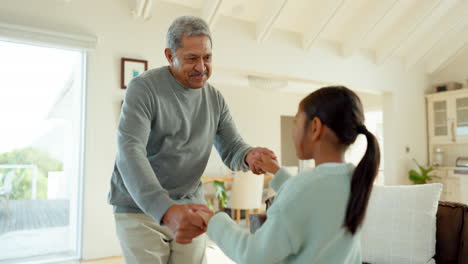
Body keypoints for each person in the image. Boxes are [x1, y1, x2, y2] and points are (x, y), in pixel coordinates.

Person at [108, 15, 276, 264]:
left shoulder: (214, 99)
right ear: (169, 55)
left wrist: (248, 155)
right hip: (139, 209)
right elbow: (130, 151)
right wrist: (165, 210)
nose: (201, 67)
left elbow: (232, 147)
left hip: (190, 205)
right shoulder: (144, 89)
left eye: (207, 57)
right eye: (191, 58)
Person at [199, 86, 381, 263]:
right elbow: (313, 196)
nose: (293, 133)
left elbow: (253, 254)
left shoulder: (303, 189)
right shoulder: (354, 181)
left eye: (296, 123)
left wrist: (215, 221)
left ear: (315, 128)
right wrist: (276, 171)